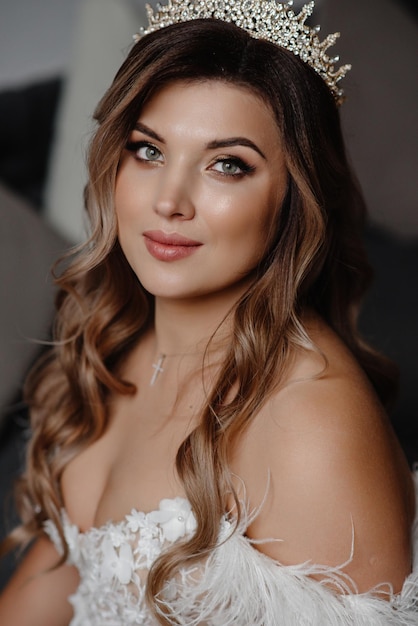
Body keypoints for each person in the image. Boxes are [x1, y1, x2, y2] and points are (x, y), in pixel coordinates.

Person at [0, 0, 417, 623]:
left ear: (295, 200)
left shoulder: (308, 425)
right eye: (148, 151)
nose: (170, 200)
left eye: (228, 165)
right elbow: (54, 581)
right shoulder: (115, 342)